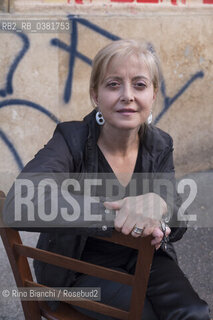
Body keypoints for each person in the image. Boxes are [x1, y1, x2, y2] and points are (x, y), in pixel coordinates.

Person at [3, 39, 210, 319]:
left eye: (139, 84)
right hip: (77, 269)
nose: (127, 95)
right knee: (143, 315)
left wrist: (159, 204)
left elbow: (177, 217)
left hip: (143, 257)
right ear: (95, 95)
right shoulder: (71, 139)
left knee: (194, 313)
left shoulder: (160, 144)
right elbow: (20, 202)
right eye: (113, 84)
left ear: (154, 94)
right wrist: (113, 214)